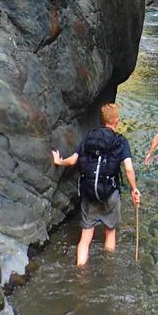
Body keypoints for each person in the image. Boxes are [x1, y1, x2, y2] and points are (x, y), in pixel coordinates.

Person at [52, 102, 141, 266]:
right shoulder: (120, 141)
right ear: (117, 121)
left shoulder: (89, 137)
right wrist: (134, 189)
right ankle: (108, 269)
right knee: (110, 232)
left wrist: (59, 161)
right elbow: (128, 169)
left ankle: (80, 273)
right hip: (110, 193)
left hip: (89, 192)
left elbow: (73, 160)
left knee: (85, 238)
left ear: (101, 121)